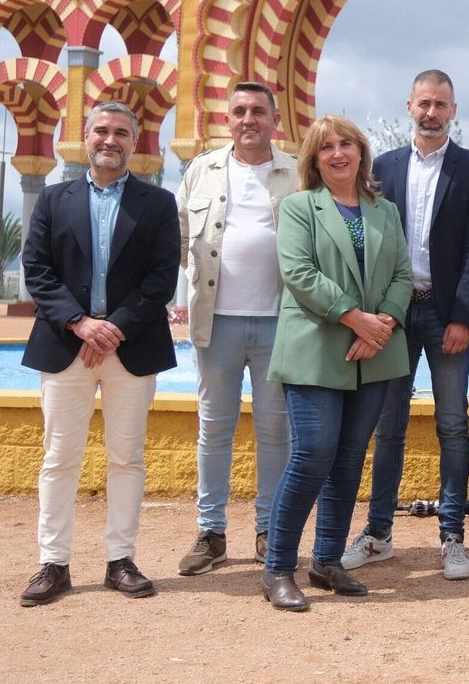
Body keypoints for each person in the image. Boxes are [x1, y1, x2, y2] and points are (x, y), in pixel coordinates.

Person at [18, 102, 179, 607]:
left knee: (126, 458)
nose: (111, 140)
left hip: (131, 347)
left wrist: (112, 329)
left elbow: (162, 278)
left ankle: (120, 560)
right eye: (102, 131)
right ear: (84, 136)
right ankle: (54, 563)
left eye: (122, 133)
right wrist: (80, 323)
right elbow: (37, 269)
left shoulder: (157, 204)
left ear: (136, 142)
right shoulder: (52, 199)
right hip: (65, 345)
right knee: (59, 456)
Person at [344, 70, 469, 581]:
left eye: (441, 104)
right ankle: (379, 533)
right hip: (393, 313)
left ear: (454, 110)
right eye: (424, 103)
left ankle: (452, 535)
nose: (431, 112)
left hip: (445, 313)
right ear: (409, 106)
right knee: (389, 427)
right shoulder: (383, 167)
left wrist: (464, 318)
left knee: (453, 424)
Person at [261, 116, 413, 611]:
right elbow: (298, 273)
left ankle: (327, 560)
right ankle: (278, 567)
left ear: (361, 152)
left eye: (346, 144)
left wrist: (382, 325)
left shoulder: (384, 210)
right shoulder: (299, 207)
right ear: (313, 158)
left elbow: (404, 274)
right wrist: (356, 320)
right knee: (313, 454)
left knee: (349, 459)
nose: (338, 153)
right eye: (326, 147)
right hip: (317, 348)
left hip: (373, 352)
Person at [175, 81, 298, 577]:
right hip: (216, 322)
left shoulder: (295, 172)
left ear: (274, 120)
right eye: (240, 111)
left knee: (275, 429)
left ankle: (270, 530)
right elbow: (183, 235)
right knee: (214, 428)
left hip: (280, 323)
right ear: (228, 119)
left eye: (258, 112)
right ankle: (212, 532)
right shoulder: (200, 170)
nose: (249, 120)